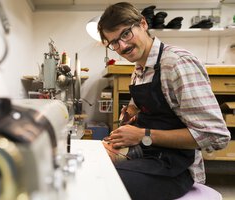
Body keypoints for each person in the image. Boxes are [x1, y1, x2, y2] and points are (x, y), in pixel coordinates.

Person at [97, 2, 231, 200]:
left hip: (176, 167)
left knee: (104, 184)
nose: (122, 46)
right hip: (148, 152)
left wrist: (142, 135)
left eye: (126, 34)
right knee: (91, 165)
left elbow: (214, 135)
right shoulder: (140, 68)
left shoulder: (176, 63)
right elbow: (150, 108)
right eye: (114, 42)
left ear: (143, 24)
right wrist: (132, 113)